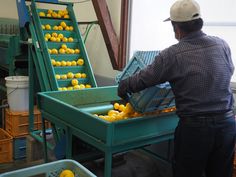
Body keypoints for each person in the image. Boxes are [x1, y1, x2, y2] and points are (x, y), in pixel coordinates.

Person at [118, 0, 236, 177]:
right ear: (199, 23)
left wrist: (123, 85)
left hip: (196, 130)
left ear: (176, 27)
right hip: (227, 125)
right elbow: (229, 70)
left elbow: (144, 78)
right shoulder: (222, 44)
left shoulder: (173, 54)